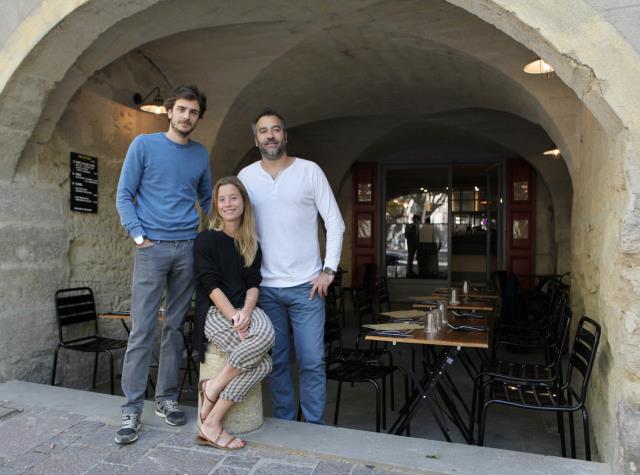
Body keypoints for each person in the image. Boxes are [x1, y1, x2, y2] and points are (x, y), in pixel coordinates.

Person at [114, 84, 212, 444]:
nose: (187, 116)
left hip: (187, 247)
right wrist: (138, 236)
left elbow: (207, 198)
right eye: (182, 109)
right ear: (169, 111)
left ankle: (167, 399)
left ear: (198, 117)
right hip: (151, 247)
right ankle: (131, 407)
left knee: (173, 329)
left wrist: (209, 240)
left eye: (194, 112)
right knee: (142, 329)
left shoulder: (201, 154)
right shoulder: (143, 145)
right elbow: (124, 194)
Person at [238, 108, 345, 424]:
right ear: (256, 139)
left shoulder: (309, 171)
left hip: (307, 288)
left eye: (275, 129)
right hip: (265, 289)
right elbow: (237, 226)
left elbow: (335, 223)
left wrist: (329, 270)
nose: (270, 135)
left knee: (312, 360)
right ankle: (285, 421)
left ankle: (313, 425)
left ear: (285, 135)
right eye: (263, 131)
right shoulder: (246, 177)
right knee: (278, 361)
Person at [193, 176, 274, 450]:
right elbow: (210, 285)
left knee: (267, 334)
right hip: (216, 311)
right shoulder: (206, 240)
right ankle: (214, 422)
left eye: (233, 197)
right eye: (222, 199)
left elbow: (253, 284)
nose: (228, 204)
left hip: (246, 307)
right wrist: (233, 317)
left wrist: (246, 313)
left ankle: (213, 389)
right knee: (263, 364)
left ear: (243, 202)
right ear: (216, 205)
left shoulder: (252, 243)